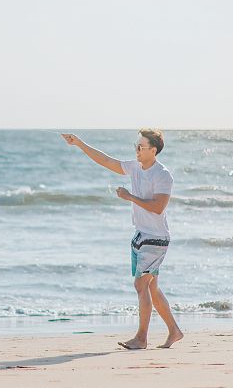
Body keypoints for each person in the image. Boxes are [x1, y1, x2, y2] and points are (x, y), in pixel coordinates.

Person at [62, 129, 184, 349]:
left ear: (153, 150)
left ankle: (141, 338)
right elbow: (107, 161)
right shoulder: (135, 167)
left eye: (141, 147)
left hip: (156, 238)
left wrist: (129, 197)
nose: (136, 150)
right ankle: (174, 331)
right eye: (135, 146)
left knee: (140, 285)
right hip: (140, 235)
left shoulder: (162, 175)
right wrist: (80, 143)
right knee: (151, 288)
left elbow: (158, 207)